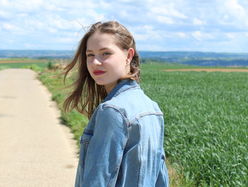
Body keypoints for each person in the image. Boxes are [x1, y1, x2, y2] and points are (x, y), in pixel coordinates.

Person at [63, 21, 169, 186]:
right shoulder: (152, 107)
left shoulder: (112, 110)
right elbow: (161, 178)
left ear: (128, 55)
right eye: (90, 55)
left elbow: (98, 181)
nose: (95, 62)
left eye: (105, 53)